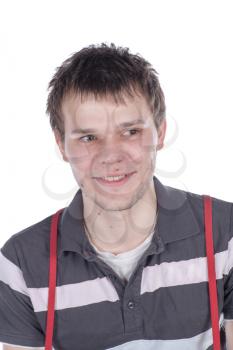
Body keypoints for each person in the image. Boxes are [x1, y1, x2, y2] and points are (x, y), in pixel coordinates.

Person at [0, 43, 232, 350]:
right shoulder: (20, 263)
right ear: (61, 144)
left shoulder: (225, 233)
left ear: (160, 132)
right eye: (88, 137)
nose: (111, 156)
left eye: (131, 131)